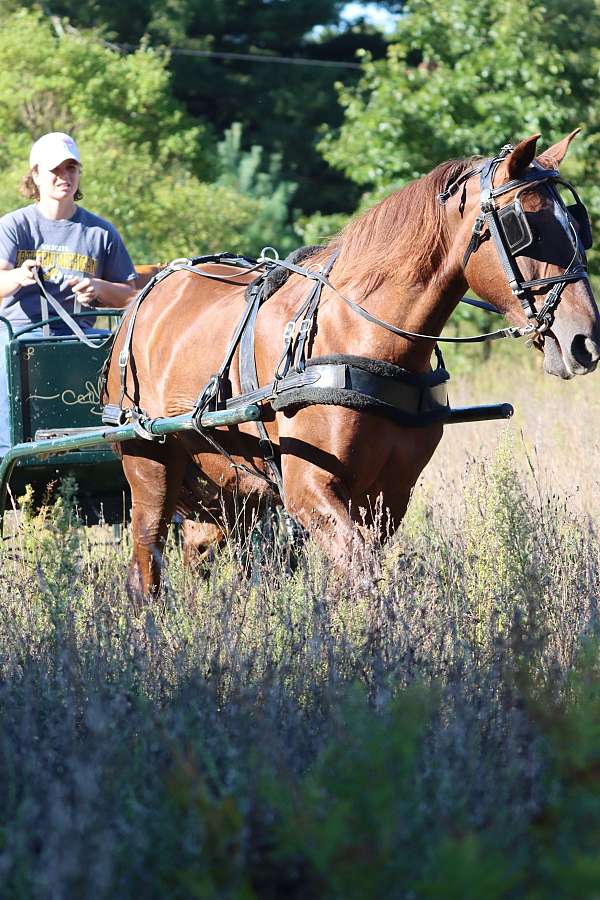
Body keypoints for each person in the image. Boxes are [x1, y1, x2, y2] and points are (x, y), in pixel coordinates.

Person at [0, 132, 138, 455]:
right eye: (55, 170)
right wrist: (20, 276)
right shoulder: (14, 227)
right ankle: (8, 457)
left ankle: (109, 453)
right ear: (35, 174)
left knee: (116, 360)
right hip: (18, 335)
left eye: (71, 168)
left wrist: (99, 288)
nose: (64, 177)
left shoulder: (100, 233)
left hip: (79, 337)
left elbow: (133, 298)